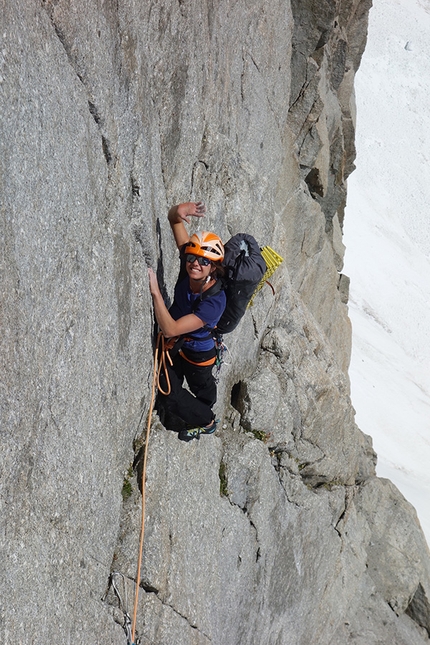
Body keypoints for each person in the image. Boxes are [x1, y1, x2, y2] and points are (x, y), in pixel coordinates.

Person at [148, 201, 226, 442]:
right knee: (169, 393)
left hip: (199, 355)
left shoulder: (214, 302)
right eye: (192, 257)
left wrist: (155, 294)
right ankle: (200, 408)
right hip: (180, 345)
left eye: (204, 261)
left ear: (213, 268)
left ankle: (207, 421)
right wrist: (177, 211)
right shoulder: (189, 266)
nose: (196, 263)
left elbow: (169, 328)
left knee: (199, 390)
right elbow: (174, 221)